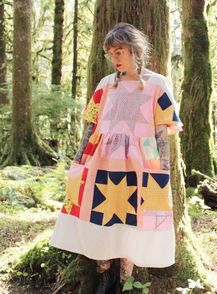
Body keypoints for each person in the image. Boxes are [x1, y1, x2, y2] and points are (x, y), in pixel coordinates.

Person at [50, 22, 183, 294]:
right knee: (98, 215)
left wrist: (162, 170)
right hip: (102, 160)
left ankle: (125, 279)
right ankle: (103, 274)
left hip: (140, 162)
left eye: (119, 51)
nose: (115, 58)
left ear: (134, 49)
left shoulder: (157, 84)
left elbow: (160, 131)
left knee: (133, 218)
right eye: (110, 53)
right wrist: (79, 161)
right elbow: (91, 126)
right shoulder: (106, 84)